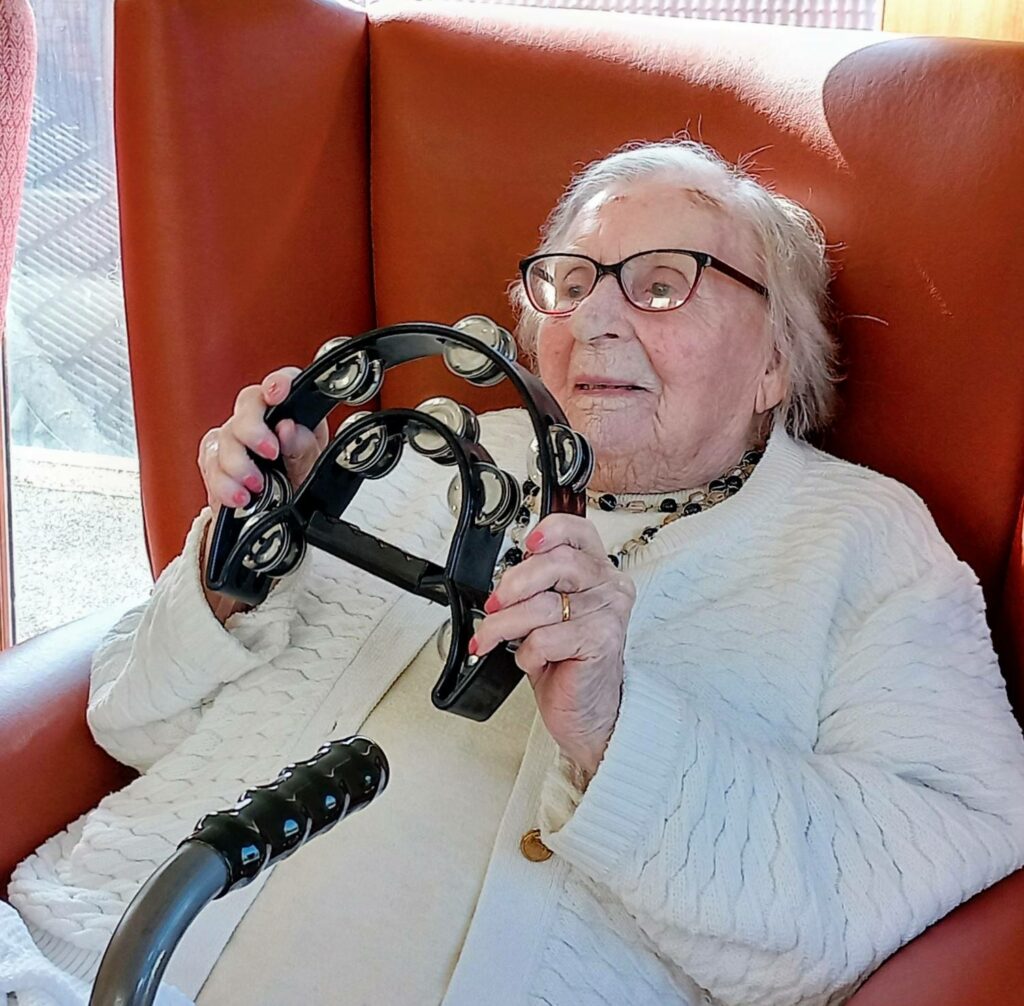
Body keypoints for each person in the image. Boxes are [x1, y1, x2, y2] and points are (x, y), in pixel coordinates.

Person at [4, 138, 1024, 1006]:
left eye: (662, 284)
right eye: (570, 282)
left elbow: (927, 861)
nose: (598, 319)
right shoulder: (408, 455)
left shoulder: (866, 543)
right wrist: (235, 568)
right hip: (79, 965)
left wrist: (614, 734)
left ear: (775, 363)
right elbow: (126, 718)